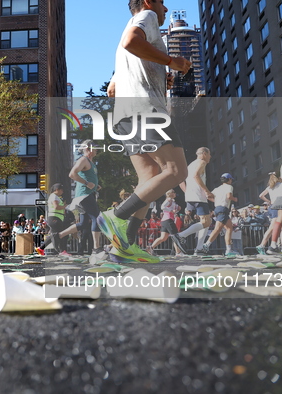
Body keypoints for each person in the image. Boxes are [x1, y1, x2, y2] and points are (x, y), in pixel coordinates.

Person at [98, 0, 191, 263]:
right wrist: (172, 61)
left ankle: (123, 246)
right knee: (176, 171)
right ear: (149, 2)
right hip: (146, 111)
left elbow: (112, 89)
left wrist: (160, 76)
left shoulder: (124, 47)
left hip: (125, 116)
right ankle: (115, 216)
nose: (166, 9)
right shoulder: (147, 16)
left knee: (148, 177)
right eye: (163, 3)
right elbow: (131, 41)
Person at [51, 141, 103, 256]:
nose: (97, 150)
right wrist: (87, 183)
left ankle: (58, 236)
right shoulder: (83, 160)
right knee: (97, 217)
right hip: (84, 195)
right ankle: (96, 248)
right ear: (88, 149)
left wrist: (95, 185)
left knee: (83, 224)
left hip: (87, 194)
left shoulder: (91, 162)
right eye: (95, 148)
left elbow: (88, 176)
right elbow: (72, 174)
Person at [170, 147, 214, 255]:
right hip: (199, 196)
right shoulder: (202, 162)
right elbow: (196, 176)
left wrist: (187, 192)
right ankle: (180, 236)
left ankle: (199, 248)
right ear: (204, 153)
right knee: (206, 222)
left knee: (206, 222)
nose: (210, 157)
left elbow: (181, 181)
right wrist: (207, 191)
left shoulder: (190, 165)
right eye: (209, 154)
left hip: (190, 196)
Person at [200, 173, 238, 256]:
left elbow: (208, 196)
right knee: (217, 229)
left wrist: (216, 201)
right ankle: (206, 245)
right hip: (223, 209)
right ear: (229, 180)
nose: (231, 181)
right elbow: (229, 196)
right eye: (231, 179)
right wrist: (234, 199)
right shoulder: (229, 187)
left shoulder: (217, 188)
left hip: (217, 208)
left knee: (229, 228)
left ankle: (228, 250)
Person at [256, 173, 282, 255]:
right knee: (273, 227)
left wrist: (269, 201)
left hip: (272, 206)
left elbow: (261, 195)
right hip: (278, 206)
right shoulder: (281, 185)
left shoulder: (270, 187)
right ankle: (262, 245)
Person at [35, 183, 67, 256]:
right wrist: (65, 206)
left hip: (55, 217)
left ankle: (41, 248)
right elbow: (56, 207)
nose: (62, 191)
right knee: (57, 235)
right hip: (55, 218)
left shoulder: (55, 197)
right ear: (57, 190)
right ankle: (60, 251)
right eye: (61, 190)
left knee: (53, 235)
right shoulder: (54, 197)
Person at [149, 189, 182, 256]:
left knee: (163, 238)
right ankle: (178, 252)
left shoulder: (172, 201)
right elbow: (162, 207)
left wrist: (177, 210)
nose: (175, 194)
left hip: (165, 221)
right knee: (175, 236)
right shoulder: (169, 200)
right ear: (170, 193)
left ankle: (150, 248)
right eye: (174, 192)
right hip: (168, 220)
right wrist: (171, 210)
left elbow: (173, 210)